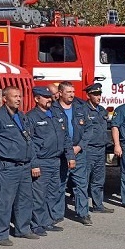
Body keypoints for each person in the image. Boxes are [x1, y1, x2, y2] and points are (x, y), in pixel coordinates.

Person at [0, 86, 38, 245]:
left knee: (24, 200)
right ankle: (1, 234)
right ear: (4, 99)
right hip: (6, 165)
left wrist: (33, 162)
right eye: (15, 96)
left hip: (24, 165)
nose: (19, 99)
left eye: (20, 96)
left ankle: (22, 229)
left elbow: (30, 140)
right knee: (4, 201)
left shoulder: (22, 116)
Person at [27, 87, 75, 236]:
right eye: (45, 97)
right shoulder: (31, 117)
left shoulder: (56, 114)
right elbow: (29, 144)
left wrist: (70, 156)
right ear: (36, 99)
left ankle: (47, 221)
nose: (49, 99)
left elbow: (66, 137)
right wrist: (34, 164)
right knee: (39, 195)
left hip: (56, 160)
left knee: (53, 193)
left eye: (50, 97)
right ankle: (36, 224)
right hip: (42, 161)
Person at [72, 83, 114, 226]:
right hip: (87, 150)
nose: (98, 97)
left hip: (100, 150)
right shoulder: (83, 110)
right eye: (95, 94)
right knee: (83, 182)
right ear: (88, 95)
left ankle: (98, 205)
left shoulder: (102, 110)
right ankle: (82, 211)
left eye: (99, 94)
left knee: (98, 180)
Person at [51, 81, 81, 223]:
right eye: (69, 92)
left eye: (73, 92)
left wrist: (79, 146)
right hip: (61, 152)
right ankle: (57, 215)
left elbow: (88, 130)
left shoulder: (79, 107)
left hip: (78, 150)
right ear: (60, 93)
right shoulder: (53, 109)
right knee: (59, 184)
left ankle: (83, 214)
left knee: (80, 184)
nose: (72, 95)